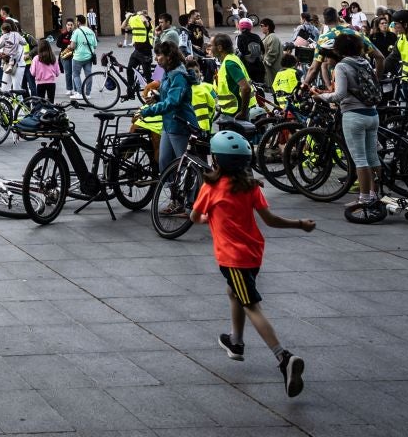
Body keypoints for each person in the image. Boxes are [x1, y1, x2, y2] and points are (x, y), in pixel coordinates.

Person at [191, 129, 312, 396]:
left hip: (232, 258)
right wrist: (300, 224)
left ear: (216, 160)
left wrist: (207, 218)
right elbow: (270, 220)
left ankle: (284, 357)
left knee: (251, 305)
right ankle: (236, 342)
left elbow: (194, 217)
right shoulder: (251, 187)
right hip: (253, 254)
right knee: (234, 291)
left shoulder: (210, 188)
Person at [318, 33, 379, 205]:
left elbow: (340, 95)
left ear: (339, 49)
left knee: (360, 159)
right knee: (373, 157)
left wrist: (321, 97)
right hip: (372, 114)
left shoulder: (342, 66)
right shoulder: (364, 62)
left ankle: (364, 199)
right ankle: (375, 195)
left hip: (354, 116)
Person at [138, 41, 200, 210]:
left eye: (159, 55)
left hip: (180, 125)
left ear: (169, 57)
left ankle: (189, 203)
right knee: (165, 162)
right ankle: (176, 197)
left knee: (185, 166)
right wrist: (157, 98)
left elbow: (173, 102)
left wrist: (149, 111)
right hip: (169, 124)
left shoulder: (178, 75)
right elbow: (168, 96)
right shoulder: (168, 72)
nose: (156, 59)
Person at [208, 35, 253, 118]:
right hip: (229, 111)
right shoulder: (230, 58)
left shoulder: (229, 64)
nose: (210, 48)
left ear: (219, 48)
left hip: (235, 112)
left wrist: (243, 112)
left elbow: (246, 88)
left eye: (211, 46)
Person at [67, 15, 99, 103]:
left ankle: (80, 93)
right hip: (89, 57)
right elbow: (95, 45)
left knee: (76, 75)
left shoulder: (77, 31)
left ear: (78, 22)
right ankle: (87, 94)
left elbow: (73, 46)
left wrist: (69, 46)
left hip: (78, 57)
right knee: (88, 75)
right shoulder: (91, 31)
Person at [28, 40, 61, 104]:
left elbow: (33, 73)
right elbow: (57, 73)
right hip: (51, 83)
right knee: (51, 102)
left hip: (40, 83)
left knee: (40, 103)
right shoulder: (53, 57)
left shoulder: (36, 58)